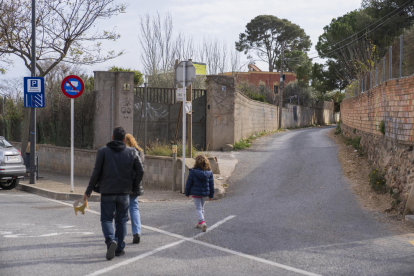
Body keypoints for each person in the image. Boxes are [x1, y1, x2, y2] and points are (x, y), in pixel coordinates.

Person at [83, 127, 144, 260]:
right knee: (121, 220)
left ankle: (111, 241)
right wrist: (133, 187)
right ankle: (120, 248)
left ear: (112, 137)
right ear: (124, 139)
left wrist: (88, 191)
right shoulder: (132, 151)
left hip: (107, 191)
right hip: (124, 193)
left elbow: (96, 172)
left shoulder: (103, 151)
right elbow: (140, 171)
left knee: (106, 219)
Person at [185, 154, 214, 232]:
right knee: (202, 208)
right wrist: (211, 195)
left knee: (198, 208)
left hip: (196, 193)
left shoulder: (193, 172)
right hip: (205, 193)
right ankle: (199, 222)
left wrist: (187, 193)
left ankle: (202, 221)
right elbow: (211, 184)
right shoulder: (209, 172)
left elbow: (189, 183)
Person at [124, 134, 144, 244]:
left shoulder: (125, 153)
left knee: (122, 207)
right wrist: (136, 185)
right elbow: (141, 170)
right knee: (134, 207)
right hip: (136, 184)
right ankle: (137, 233)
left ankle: (120, 234)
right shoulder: (140, 152)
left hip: (125, 184)